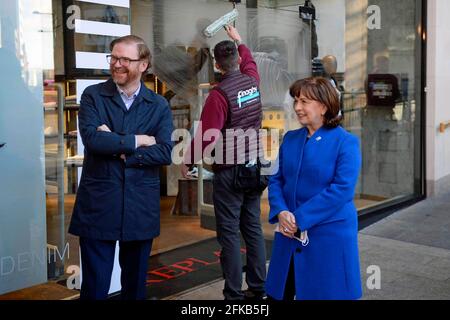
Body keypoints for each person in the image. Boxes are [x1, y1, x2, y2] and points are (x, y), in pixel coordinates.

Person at [69, 35, 174, 300]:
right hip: (99, 204)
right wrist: (137, 141)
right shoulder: (93, 95)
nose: (117, 64)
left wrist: (119, 147)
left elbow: (163, 152)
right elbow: (93, 140)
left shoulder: (158, 105)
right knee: (94, 288)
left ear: (143, 64)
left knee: (135, 288)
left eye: (125, 59)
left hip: (140, 206)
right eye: (114, 58)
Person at [181, 25, 267, 300]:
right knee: (253, 228)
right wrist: (240, 40)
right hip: (254, 167)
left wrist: (188, 160)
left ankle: (233, 294)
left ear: (217, 66)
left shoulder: (219, 96)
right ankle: (258, 286)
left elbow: (207, 136)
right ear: (238, 61)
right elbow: (250, 61)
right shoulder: (251, 81)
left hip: (230, 171)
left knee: (229, 233)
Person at [265, 77, 362, 300]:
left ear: (324, 106)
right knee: (281, 293)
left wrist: (298, 219)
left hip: (328, 238)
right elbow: (276, 179)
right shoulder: (291, 139)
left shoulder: (345, 142)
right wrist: (281, 212)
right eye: (296, 101)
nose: (297, 107)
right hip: (288, 236)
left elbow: (342, 189)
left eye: (305, 101)